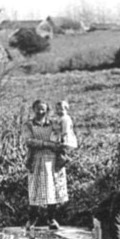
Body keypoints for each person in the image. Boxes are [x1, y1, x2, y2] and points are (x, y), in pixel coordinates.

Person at [22, 100, 68, 231]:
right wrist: (47, 144)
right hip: (36, 159)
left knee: (52, 190)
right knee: (35, 190)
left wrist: (61, 143)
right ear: (33, 109)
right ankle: (32, 219)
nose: (40, 112)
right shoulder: (28, 125)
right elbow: (29, 141)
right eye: (38, 109)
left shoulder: (53, 124)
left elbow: (62, 135)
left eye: (43, 109)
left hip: (53, 160)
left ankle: (51, 219)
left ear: (47, 111)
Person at [51, 99, 78, 171]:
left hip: (65, 139)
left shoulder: (65, 119)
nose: (59, 111)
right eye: (57, 109)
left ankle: (64, 160)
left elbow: (65, 131)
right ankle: (63, 160)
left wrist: (61, 138)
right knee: (60, 151)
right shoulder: (61, 118)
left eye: (61, 109)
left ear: (66, 109)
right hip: (62, 138)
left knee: (59, 150)